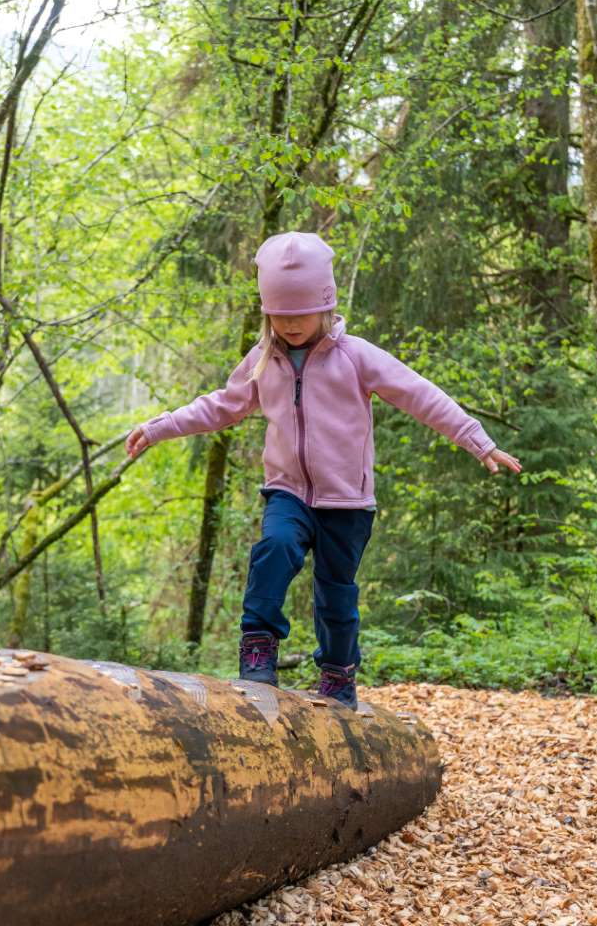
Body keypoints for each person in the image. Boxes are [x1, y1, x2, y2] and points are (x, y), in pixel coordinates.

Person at [125, 231, 521, 709]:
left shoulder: (355, 356)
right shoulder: (262, 361)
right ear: (268, 312)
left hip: (347, 502)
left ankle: (337, 674)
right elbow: (222, 406)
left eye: (301, 314)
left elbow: (421, 395)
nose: (291, 326)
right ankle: (258, 649)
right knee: (273, 549)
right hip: (287, 492)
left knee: (336, 595)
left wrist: (478, 442)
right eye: (280, 315)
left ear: (326, 305)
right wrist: (159, 427)